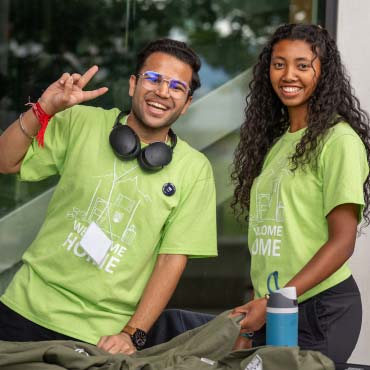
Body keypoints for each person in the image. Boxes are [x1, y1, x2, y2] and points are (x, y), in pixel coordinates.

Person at [0, 38, 217, 354]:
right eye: (153, 79)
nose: (162, 92)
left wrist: (133, 334)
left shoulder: (194, 169)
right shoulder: (81, 122)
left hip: (102, 336)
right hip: (24, 308)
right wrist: (43, 109)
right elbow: (6, 161)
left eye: (176, 87)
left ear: (186, 104)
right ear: (133, 84)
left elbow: (171, 260)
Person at [230, 23, 370, 362]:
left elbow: (342, 242)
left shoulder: (339, 141)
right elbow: (272, 244)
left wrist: (273, 302)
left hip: (319, 310)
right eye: (279, 64)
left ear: (323, 72)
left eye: (302, 65)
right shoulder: (276, 145)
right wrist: (255, 318)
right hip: (274, 308)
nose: (288, 74)